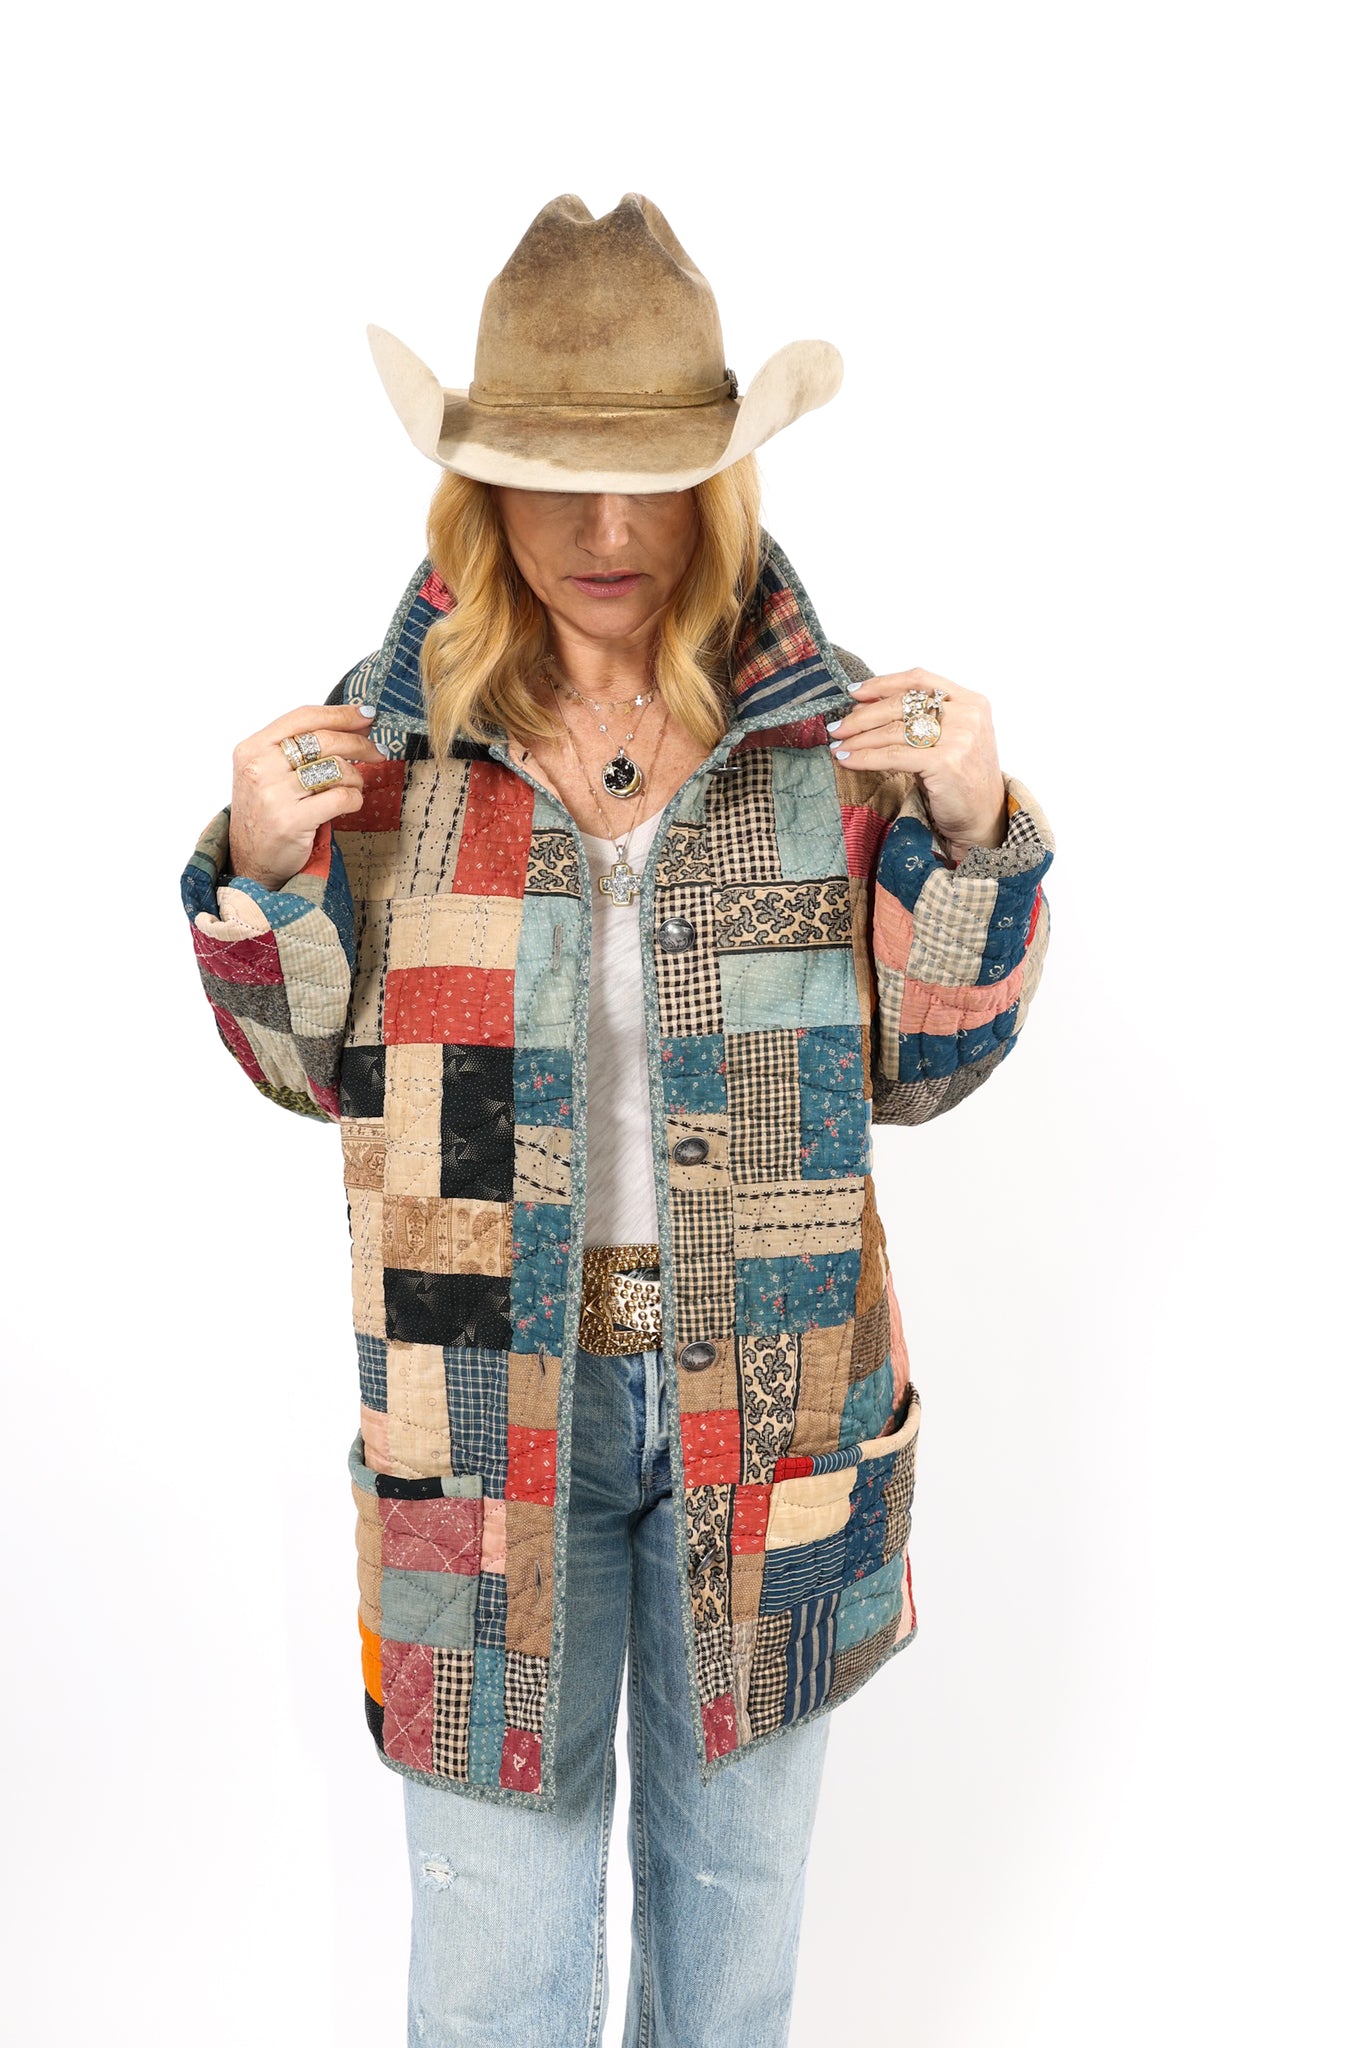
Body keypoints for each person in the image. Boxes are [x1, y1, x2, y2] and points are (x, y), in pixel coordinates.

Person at [181, 192, 1056, 2048]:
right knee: (492, 1964)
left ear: (716, 484)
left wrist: (973, 836)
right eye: (556, 483)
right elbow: (296, 1069)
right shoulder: (386, 755)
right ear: (479, 488)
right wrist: (263, 870)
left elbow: (926, 1071)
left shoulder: (829, 741)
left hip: (774, 1402)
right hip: (480, 1408)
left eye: (651, 482)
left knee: (730, 1956)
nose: (606, 534)